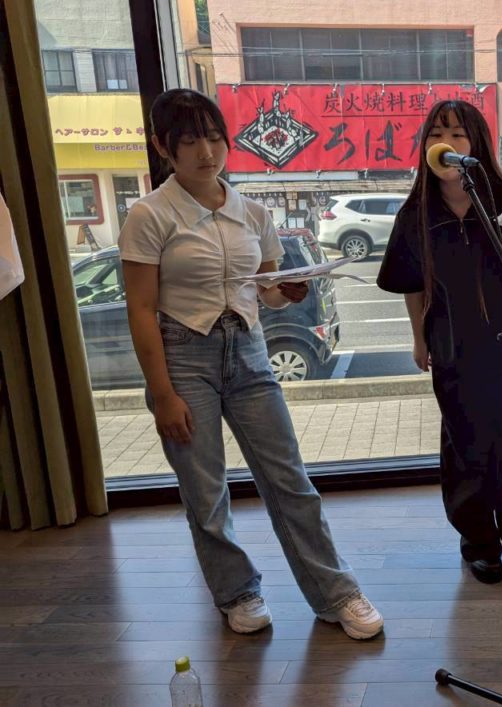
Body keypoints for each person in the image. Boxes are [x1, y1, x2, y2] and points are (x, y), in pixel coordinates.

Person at [119, 89, 383, 637]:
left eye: (214, 138)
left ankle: (336, 593)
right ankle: (237, 592)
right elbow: (141, 310)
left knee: (290, 479)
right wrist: (162, 394)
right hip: (183, 356)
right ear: (163, 147)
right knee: (205, 491)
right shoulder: (150, 215)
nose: (206, 152)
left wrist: (287, 291)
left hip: (248, 350)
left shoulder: (253, 212)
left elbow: (267, 291)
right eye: (189, 141)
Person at [377, 100, 502, 584]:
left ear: (476, 144)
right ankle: (480, 543)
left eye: (458, 134)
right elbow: (412, 285)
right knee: (466, 451)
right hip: (453, 348)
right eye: (437, 133)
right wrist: (419, 338)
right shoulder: (416, 213)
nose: (447, 143)